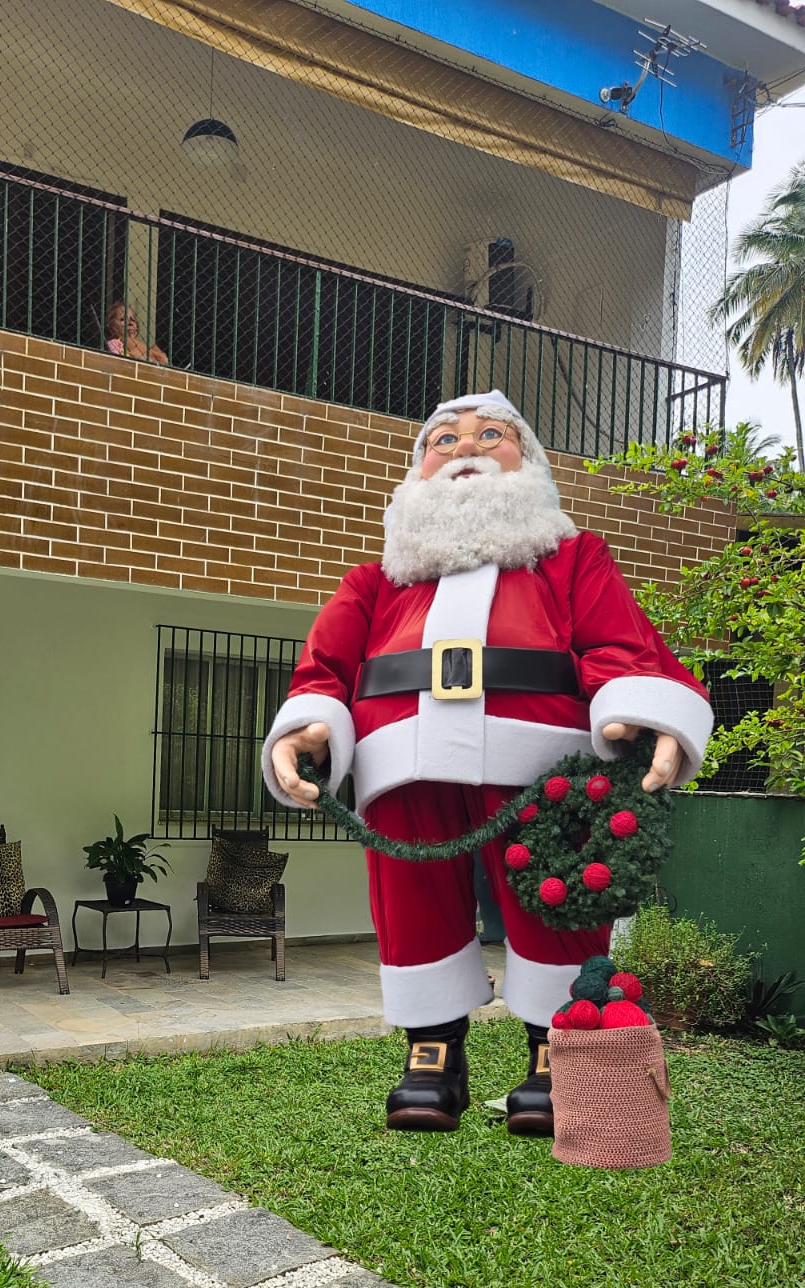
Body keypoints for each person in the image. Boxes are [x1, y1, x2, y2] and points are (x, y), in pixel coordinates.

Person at [264, 390, 712, 1137]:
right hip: (403, 764)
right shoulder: (373, 583)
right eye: (442, 440)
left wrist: (642, 709)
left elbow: (619, 645)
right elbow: (324, 669)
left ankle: (556, 1051)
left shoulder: (573, 560)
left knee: (557, 898)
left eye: (489, 434)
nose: (464, 448)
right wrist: (306, 726)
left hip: (541, 766)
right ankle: (432, 1052)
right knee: (411, 902)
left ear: (527, 460)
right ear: (417, 471)